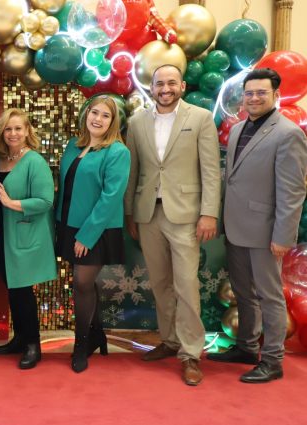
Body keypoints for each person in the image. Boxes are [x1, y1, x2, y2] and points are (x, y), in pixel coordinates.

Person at [208, 68, 307, 383]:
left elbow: (293, 191)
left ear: (275, 95)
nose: (253, 98)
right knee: (242, 292)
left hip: (266, 231)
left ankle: (273, 360)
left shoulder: (288, 133)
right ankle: (247, 347)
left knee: (270, 296)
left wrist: (283, 236)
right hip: (236, 226)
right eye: (249, 93)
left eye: (261, 92)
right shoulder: (239, 128)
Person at [124, 64, 221, 386]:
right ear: (151, 88)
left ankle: (191, 353)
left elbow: (211, 170)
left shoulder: (200, 118)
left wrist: (209, 213)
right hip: (148, 213)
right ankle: (169, 340)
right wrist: (130, 213)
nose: (165, 89)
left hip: (186, 215)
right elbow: (133, 170)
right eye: (159, 84)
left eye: (171, 83)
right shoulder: (137, 122)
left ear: (182, 86)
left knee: (186, 285)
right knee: (160, 283)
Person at [57, 97, 130, 373]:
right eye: (94, 112)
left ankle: (81, 344)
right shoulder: (73, 145)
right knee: (84, 284)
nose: (98, 119)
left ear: (113, 122)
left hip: (96, 228)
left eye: (105, 116)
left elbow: (111, 197)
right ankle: (97, 334)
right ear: (86, 114)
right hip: (69, 224)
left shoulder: (118, 152)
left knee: (82, 283)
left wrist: (86, 236)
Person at [0, 108, 56, 370]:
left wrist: (10, 202)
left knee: (23, 291)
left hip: (25, 235)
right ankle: (19, 339)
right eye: (8, 129)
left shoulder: (34, 161)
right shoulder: (1, 160)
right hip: (2, 235)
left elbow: (45, 200)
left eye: (18, 128)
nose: (13, 133)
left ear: (27, 131)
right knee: (12, 288)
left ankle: (33, 345)